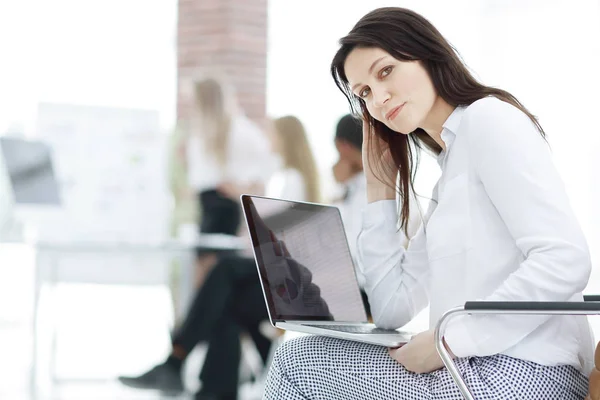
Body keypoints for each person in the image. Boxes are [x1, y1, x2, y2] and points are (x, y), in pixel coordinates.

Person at [263, 7, 593, 400]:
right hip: (480, 368)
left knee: (295, 363)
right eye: (364, 93)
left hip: (527, 374)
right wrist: (380, 192)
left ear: (426, 54)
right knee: (301, 355)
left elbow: (565, 259)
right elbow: (391, 309)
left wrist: (446, 341)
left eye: (385, 72)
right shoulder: (451, 171)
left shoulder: (489, 120)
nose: (379, 98)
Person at [118, 115, 321, 400]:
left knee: (225, 271)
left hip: (289, 283)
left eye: (272, 134)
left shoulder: (291, 180)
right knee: (226, 301)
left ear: (285, 138)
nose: (267, 140)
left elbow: (280, 244)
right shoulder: (288, 178)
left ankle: (179, 364)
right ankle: (213, 390)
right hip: (284, 278)